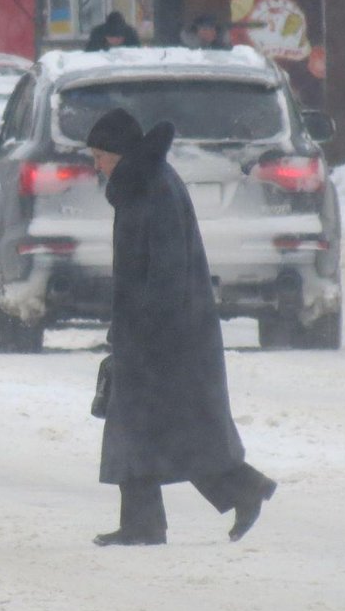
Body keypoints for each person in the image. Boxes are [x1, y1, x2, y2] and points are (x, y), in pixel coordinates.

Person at [85, 108, 277, 546]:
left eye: (100, 156)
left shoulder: (152, 187)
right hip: (155, 326)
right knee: (146, 424)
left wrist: (149, 328)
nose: (96, 166)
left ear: (119, 152)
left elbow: (168, 266)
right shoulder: (141, 182)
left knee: (166, 424)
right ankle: (147, 521)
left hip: (166, 330)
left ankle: (239, 490)